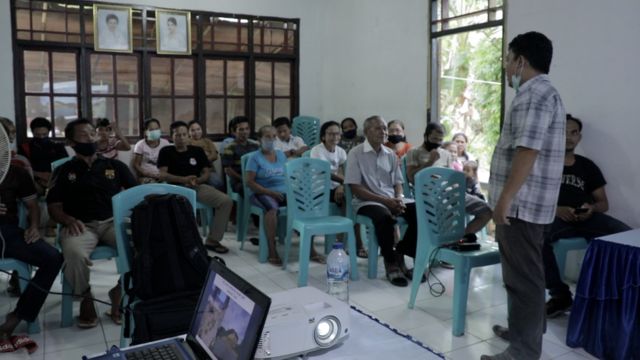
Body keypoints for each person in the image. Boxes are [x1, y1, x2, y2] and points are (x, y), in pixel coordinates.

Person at [483, 32, 566, 360]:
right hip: (529, 205)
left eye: (507, 58)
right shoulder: (543, 93)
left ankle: (523, 351)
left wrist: (504, 200)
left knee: (524, 281)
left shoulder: (534, 95)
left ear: (521, 61)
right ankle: (522, 333)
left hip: (522, 206)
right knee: (524, 277)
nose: (505, 66)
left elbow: (528, 151)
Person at [47, 118, 137, 328]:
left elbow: (135, 194)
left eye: (92, 134)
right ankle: (86, 296)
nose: (90, 138)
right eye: (83, 135)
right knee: (74, 254)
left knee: (144, 244)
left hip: (111, 222)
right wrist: (67, 219)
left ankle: (120, 291)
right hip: (80, 225)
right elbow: (53, 206)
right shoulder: (63, 171)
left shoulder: (114, 166)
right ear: (71, 142)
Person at [543, 114, 631, 318]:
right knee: (537, 237)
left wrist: (591, 209)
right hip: (555, 217)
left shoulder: (587, 166)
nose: (568, 137)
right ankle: (560, 297)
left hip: (587, 218)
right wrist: (556, 209)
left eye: (573, 133)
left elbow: (603, 203)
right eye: (563, 132)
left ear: (579, 137)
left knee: (624, 236)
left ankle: (619, 297)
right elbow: (530, 198)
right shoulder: (543, 163)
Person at [345, 115, 420, 287]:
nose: (384, 132)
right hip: (366, 201)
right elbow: (356, 188)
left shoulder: (391, 155)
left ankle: (401, 252)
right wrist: (386, 201)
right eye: (378, 128)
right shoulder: (355, 154)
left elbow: (398, 182)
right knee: (384, 217)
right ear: (366, 132)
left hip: (391, 199)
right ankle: (391, 263)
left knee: (420, 211)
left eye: (385, 128)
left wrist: (399, 198)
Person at [0, 164, 63, 352]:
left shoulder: (16, 172)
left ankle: (18, 315)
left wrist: (34, 226)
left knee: (52, 258)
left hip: (8, 233)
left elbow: (32, 205)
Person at [246, 125, 325, 266]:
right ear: (259, 139)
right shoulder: (254, 158)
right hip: (261, 192)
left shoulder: (280, 155)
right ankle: (271, 249)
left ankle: (310, 249)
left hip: (283, 191)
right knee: (271, 208)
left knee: (306, 205)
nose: (271, 139)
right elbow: (250, 183)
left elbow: (286, 176)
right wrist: (269, 192)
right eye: (267, 137)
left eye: (273, 137)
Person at [406, 123, 492, 247]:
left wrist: (462, 181)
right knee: (449, 214)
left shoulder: (445, 154)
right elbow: (412, 178)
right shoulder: (413, 152)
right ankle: (445, 247)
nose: (437, 143)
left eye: (440, 140)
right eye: (434, 139)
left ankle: (460, 240)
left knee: (486, 210)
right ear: (425, 136)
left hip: (452, 193)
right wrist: (430, 161)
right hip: (430, 196)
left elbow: (451, 177)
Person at [158, 121, 233, 254]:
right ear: (171, 136)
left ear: (188, 135)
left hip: (196, 187)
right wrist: (182, 180)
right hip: (174, 189)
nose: (181, 137)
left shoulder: (197, 151)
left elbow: (206, 172)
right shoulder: (166, 151)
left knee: (226, 201)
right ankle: (178, 243)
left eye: (184, 134)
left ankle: (212, 240)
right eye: (177, 135)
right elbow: (162, 174)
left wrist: (198, 180)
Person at [310, 121, 368, 258]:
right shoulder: (317, 150)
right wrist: (343, 181)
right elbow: (324, 173)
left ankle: (347, 242)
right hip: (318, 190)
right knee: (349, 200)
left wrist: (342, 186)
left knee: (353, 202)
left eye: (337, 133)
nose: (334, 136)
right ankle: (351, 243)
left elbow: (346, 171)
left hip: (336, 188)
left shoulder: (341, 152)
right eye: (330, 134)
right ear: (323, 136)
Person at [18, 117, 68, 195]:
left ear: (49, 132)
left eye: (44, 134)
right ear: (32, 132)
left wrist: (52, 178)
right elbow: (20, 169)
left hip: (56, 182)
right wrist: (38, 175)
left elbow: (66, 165)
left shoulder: (58, 147)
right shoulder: (24, 148)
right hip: (33, 183)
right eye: (37, 135)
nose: (41, 137)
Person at [222, 116, 259, 194]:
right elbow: (228, 170)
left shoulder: (255, 146)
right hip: (239, 182)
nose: (245, 132)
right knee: (255, 189)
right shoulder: (229, 148)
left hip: (256, 179)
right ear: (233, 132)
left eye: (247, 128)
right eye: (241, 129)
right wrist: (244, 179)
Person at [132, 118, 170, 184]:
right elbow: (136, 164)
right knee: (152, 188)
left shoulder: (165, 143)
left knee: (166, 187)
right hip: (145, 176)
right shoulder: (140, 145)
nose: (155, 131)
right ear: (146, 131)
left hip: (162, 176)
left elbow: (169, 162)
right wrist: (146, 173)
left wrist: (164, 174)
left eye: (157, 129)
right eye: (152, 130)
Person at [188, 120, 223, 190]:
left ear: (202, 130)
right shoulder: (187, 142)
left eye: (198, 129)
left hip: (210, 171)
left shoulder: (207, 141)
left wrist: (200, 159)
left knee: (219, 183)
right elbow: (190, 158)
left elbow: (214, 156)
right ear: (188, 132)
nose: (196, 132)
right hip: (194, 172)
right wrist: (205, 154)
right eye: (193, 130)